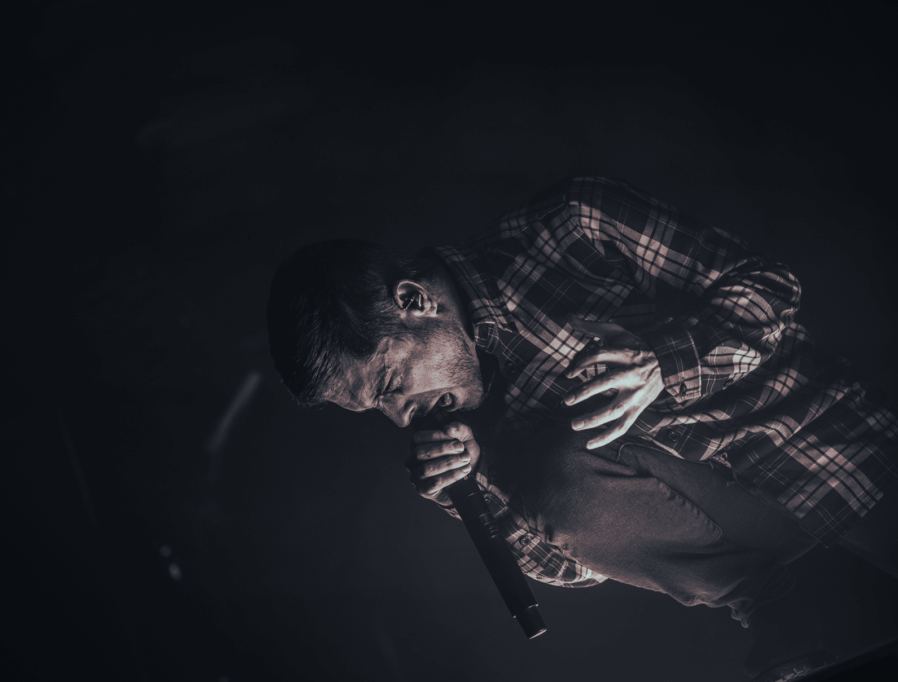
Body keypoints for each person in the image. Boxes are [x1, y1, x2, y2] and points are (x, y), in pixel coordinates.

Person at [264, 176, 898, 682]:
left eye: (389, 385)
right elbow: (575, 570)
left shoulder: (573, 227)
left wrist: (663, 362)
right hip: (755, 561)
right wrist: (475, 486)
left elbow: (768, 288)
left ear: (413, 301)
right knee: (543, 467)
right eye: (376, 410)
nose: (399, 415)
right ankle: (779, 615)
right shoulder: (467, 433)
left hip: (830, 456)